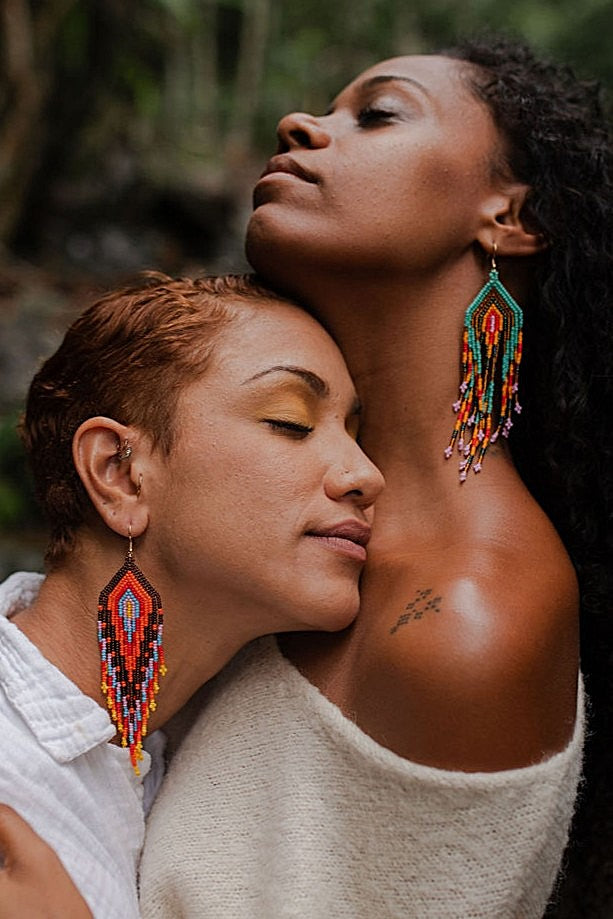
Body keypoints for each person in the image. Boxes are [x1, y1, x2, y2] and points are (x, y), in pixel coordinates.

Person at [139, 34, 612, 919]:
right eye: (326, 107)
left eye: (379, 114)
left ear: (508, 215)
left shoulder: (466, 618)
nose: (299, 122)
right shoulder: (261, 516)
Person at [0, 272, 384, 918]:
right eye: (290, 422)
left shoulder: (180, 747)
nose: (365, 475)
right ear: (121, 474)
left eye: (356, 435)